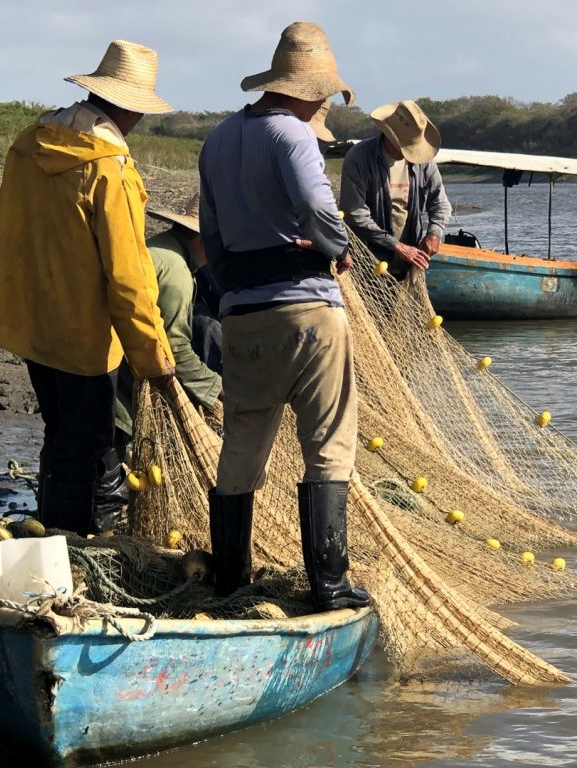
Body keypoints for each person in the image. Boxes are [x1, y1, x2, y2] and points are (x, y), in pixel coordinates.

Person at [198, 21, 370, 610]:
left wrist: (234, 289)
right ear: (305, 89)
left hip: (241, 315)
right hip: (308, 313)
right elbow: (317, 208)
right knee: (327, 441)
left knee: (243, 440)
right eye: (322, 92)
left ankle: (230, 580)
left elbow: (213, 233)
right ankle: (329, 585)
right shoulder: (293, 136)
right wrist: (340, 249)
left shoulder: (217, 139)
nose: (325, 101)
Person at [0, 40, 175, 536]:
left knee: (59, 435)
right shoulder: (109, 169)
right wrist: (153, 356)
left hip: (31, 322)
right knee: (89, 443)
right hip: (85, 340)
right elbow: (129, 276)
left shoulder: (29, 143)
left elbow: (4, 228)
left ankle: (49, 533)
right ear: (132, 109)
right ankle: (69, 549)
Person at [114, 193, 223, 455]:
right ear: (205, 240)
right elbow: (174, 348)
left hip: (99, 372)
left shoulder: (160, 247)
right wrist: (217, 389)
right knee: (107, 468)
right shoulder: (177, 275)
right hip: (116, 383)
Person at [339, 100, 452, 279]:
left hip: (409, 263)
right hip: (368, 262)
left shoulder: (424, 162)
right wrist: (396, 246)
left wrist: (434, 233)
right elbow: (355, 212)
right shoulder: (359, 158)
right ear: (391, 137)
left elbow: (441, 204)